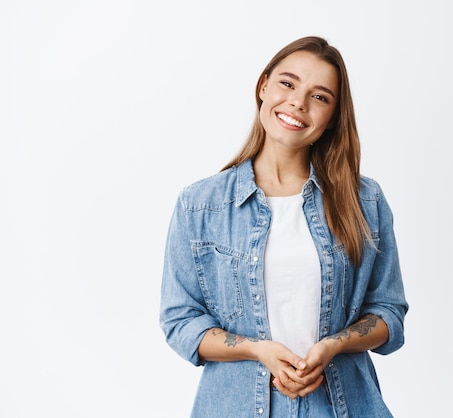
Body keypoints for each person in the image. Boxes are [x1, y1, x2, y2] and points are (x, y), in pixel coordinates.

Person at [160, 35, 408, 418]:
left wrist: (334, 346)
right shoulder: (200, 206)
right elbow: (180, 321)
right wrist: (257, 349)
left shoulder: (364, 201)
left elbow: (387, 313)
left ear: (332, 117)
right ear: (263, 86)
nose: (298, 102)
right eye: (287, 83)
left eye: (320, 96)